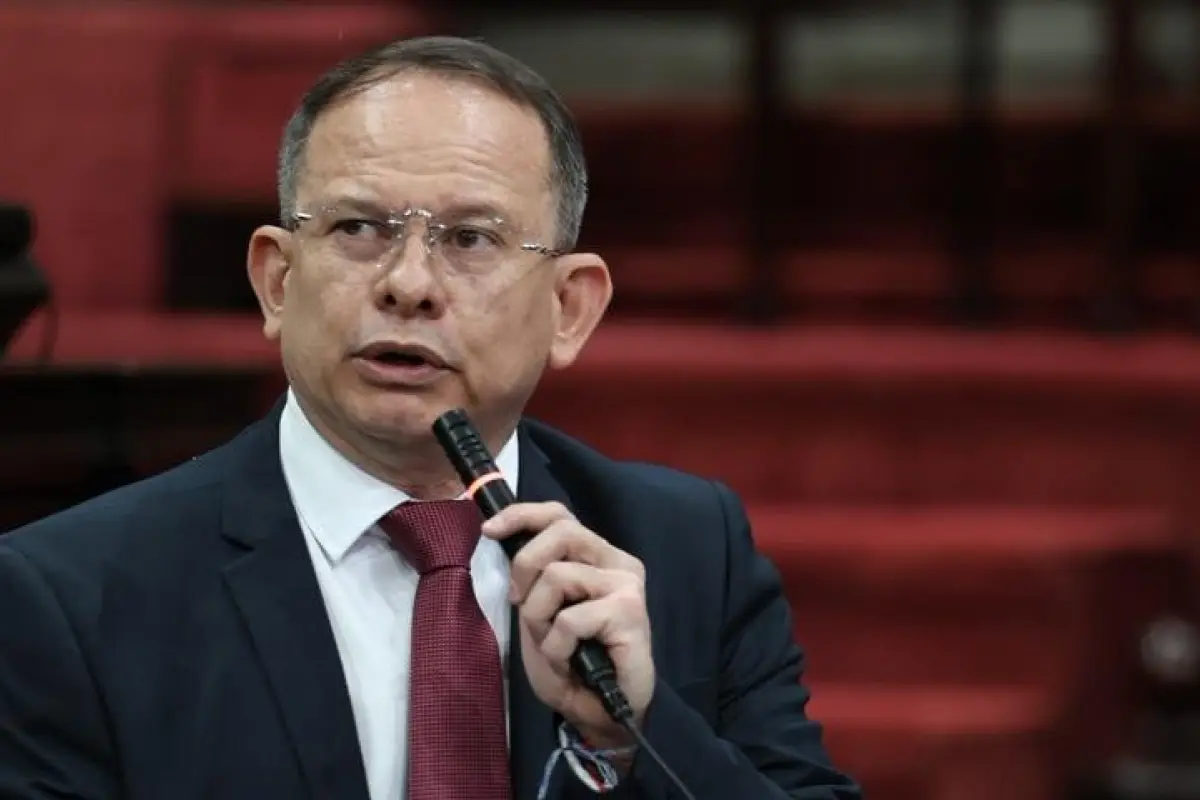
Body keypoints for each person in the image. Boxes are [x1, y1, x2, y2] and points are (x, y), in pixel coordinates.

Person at [0, 35, 861, 800]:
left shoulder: (684, 553)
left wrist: (633, 737)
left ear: (570, 309)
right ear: (276, 281)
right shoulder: (70, 596)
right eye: (359, 228)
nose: (408, 283)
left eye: (471, 239)